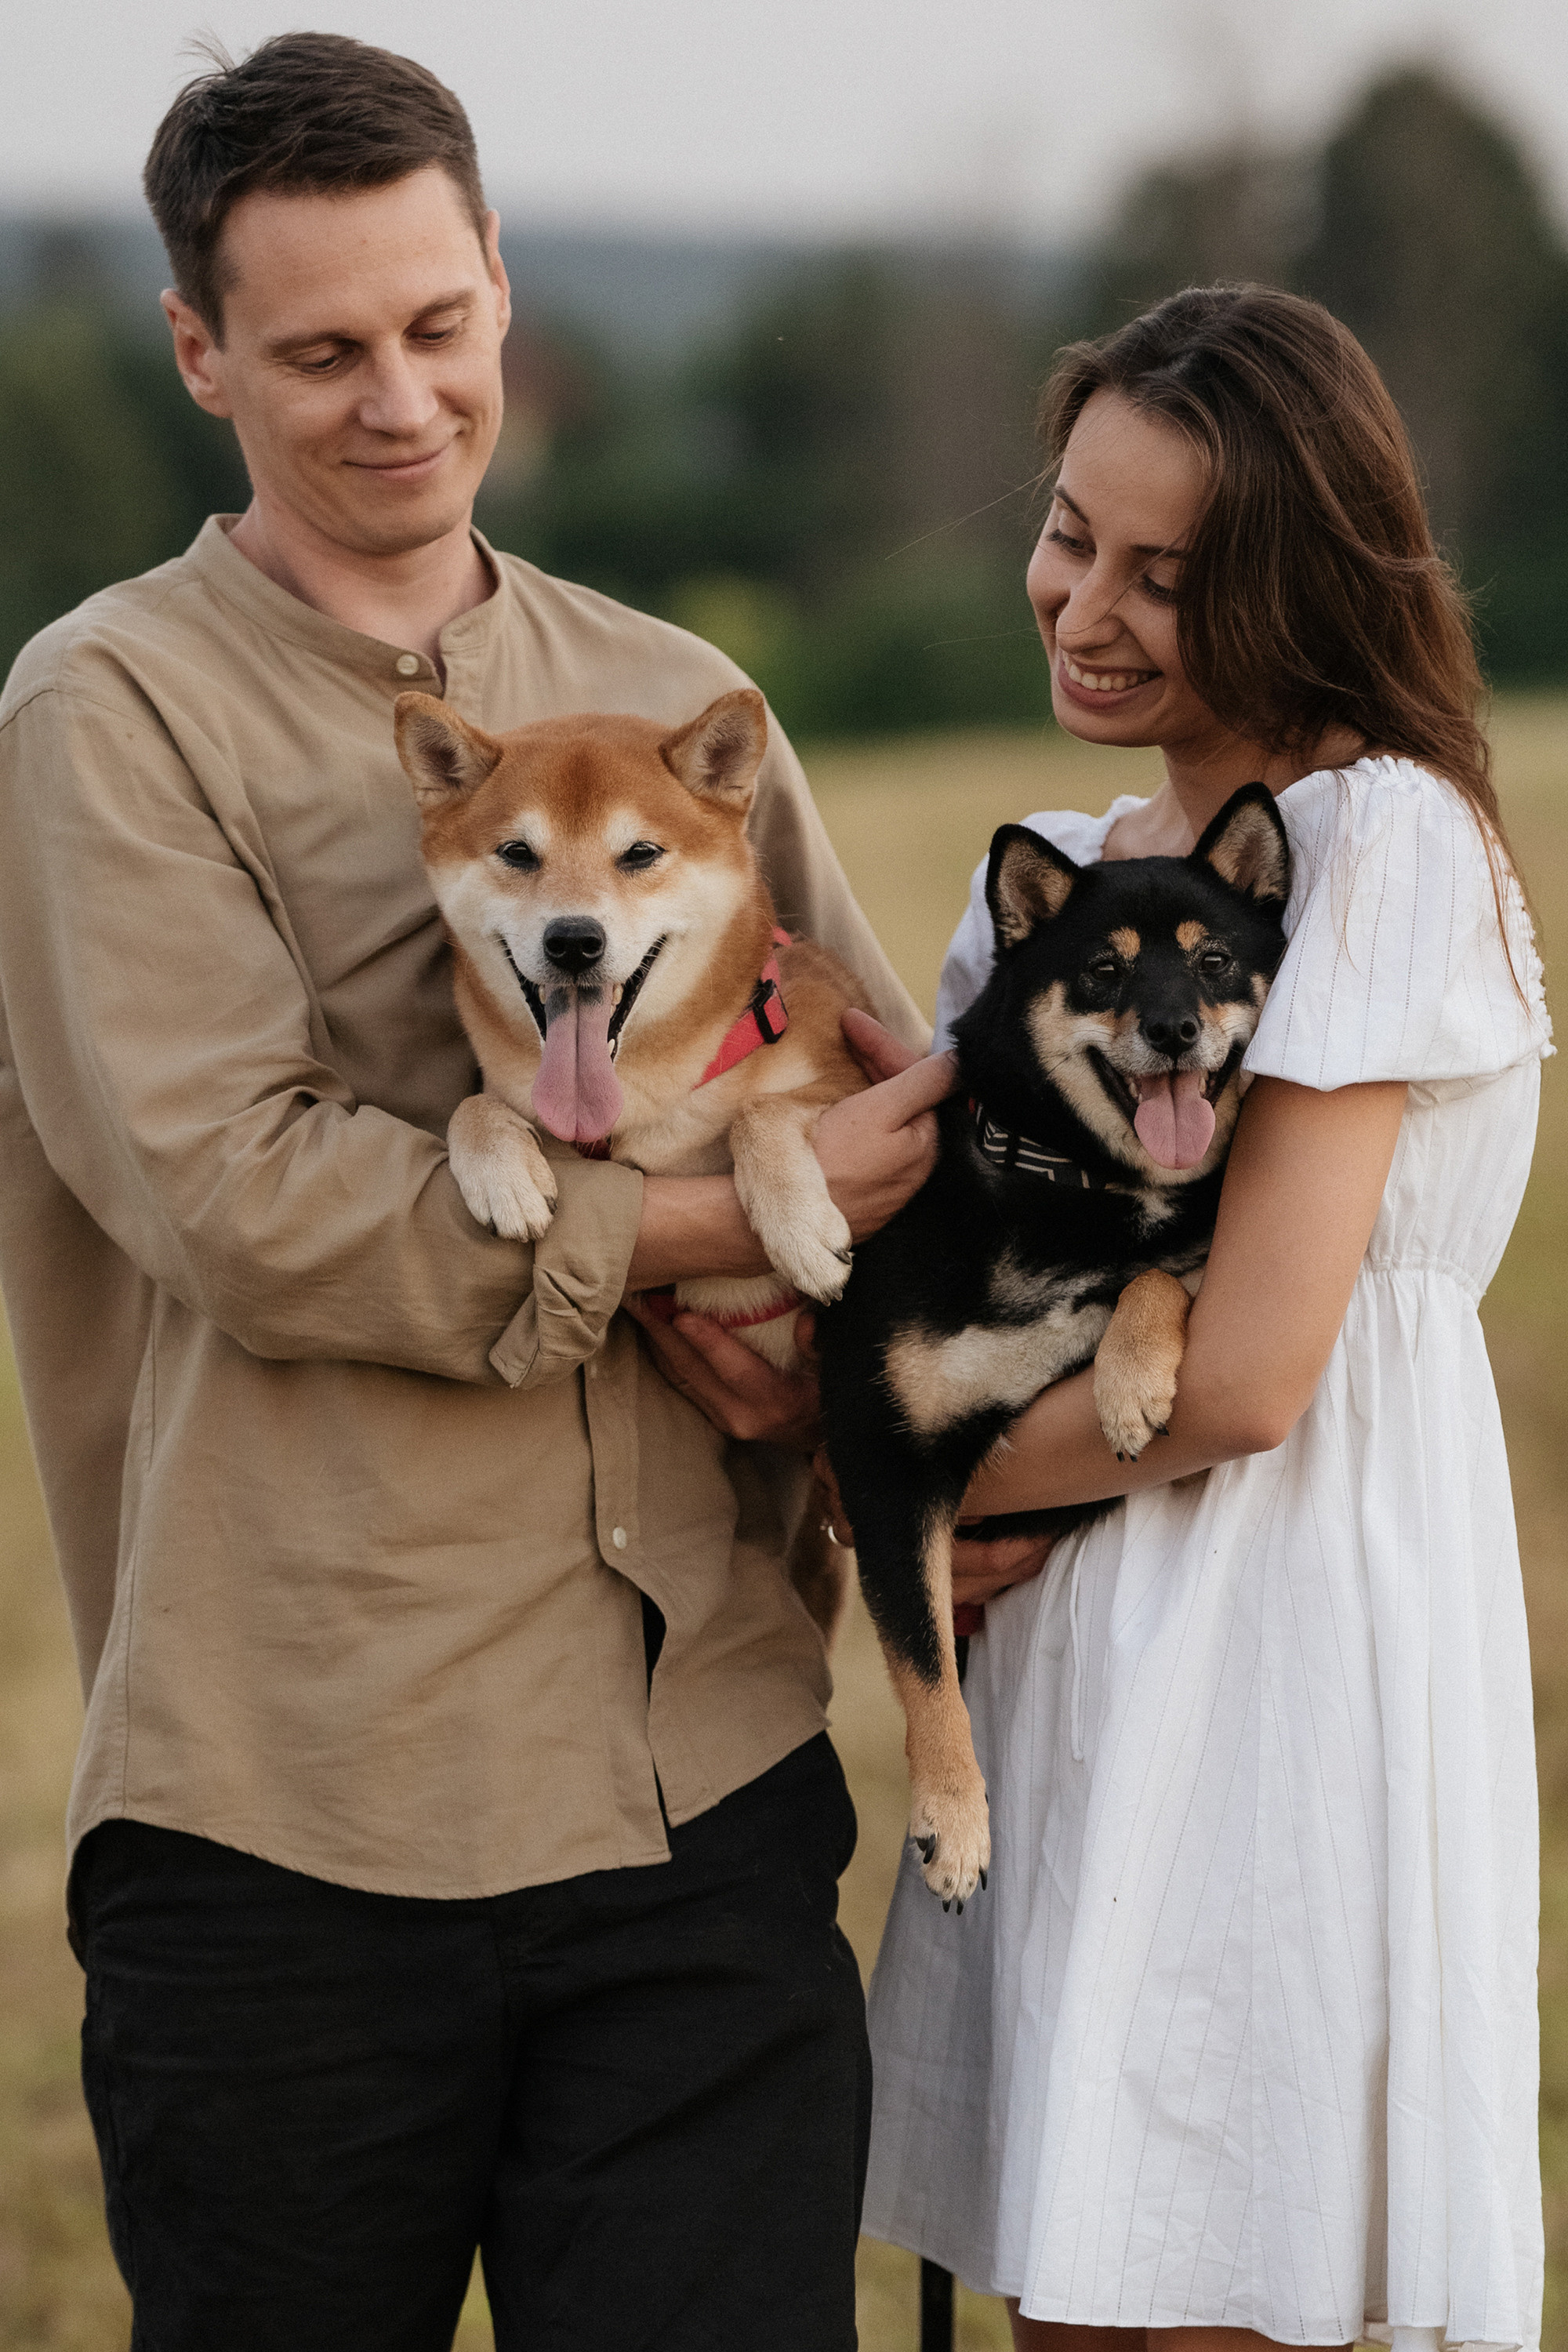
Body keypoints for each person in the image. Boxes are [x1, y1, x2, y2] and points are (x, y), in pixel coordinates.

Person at [0, 33, 950, 2350]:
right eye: (319, 349)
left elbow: (885, 1107)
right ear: (198, 348)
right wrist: (725, 1221)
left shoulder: (679, 693)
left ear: (506, 281)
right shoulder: (108, 716)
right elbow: (246, 1198)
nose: (397, 399)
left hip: (703, 1787)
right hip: (298, 1808)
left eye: (437, 325)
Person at [855, 288, 1550, 2352]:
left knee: (1208, 2281)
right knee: (1068, 2291)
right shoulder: (1054, 883)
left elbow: (1246, 1378)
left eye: (1170, 576)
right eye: (1073, 534)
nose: (1085, 605)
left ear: (1299, 584)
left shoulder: (1380, 849)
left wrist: (925, 1498)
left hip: (1275, 1663)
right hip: (1072, 1667)